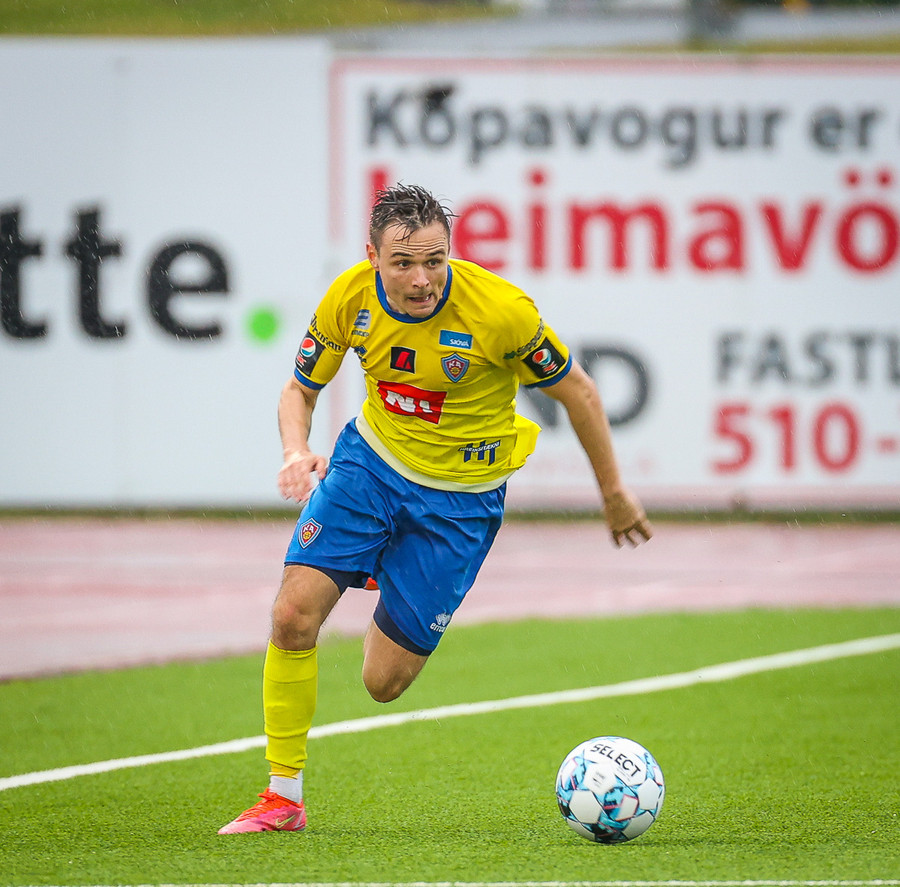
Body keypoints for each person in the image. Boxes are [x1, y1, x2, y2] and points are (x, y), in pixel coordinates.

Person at [217, 183, 652, 834]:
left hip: (461, 503)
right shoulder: (350, 299)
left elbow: (579, 393)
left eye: (434, 260)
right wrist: (295, 449)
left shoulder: (501, 311)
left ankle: (383, 566)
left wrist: (614, 493)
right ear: (372, 257)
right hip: (369, 467)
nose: (421, 279)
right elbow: (299, 389)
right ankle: (283, 798)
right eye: (402, 263)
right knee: (291, 616)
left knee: (383, 682)